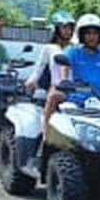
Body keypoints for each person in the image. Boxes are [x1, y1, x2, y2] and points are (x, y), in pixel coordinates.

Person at [25, 10, 75, 139]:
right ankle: (45, 137)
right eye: (64, 28)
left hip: (75, 88)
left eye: (70, 28)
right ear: (56, 29)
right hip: (57, 87)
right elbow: (38, 69)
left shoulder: (75, 49)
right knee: (53, 96)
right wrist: (30, 82)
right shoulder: (49, 48)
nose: (68, 31)